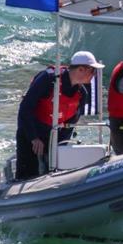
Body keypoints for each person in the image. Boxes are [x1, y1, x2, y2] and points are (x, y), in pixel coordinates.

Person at [15, 51, 105, 180]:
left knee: (54, 173)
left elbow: (70, 124)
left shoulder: (82, 94)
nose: (94, 75)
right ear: (80, 69)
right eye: (92, 71)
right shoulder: (48, 79)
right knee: (27, 175)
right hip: (31, 134)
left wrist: (59, 147)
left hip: (54, 138)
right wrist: (33, 138)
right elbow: (25, 109)